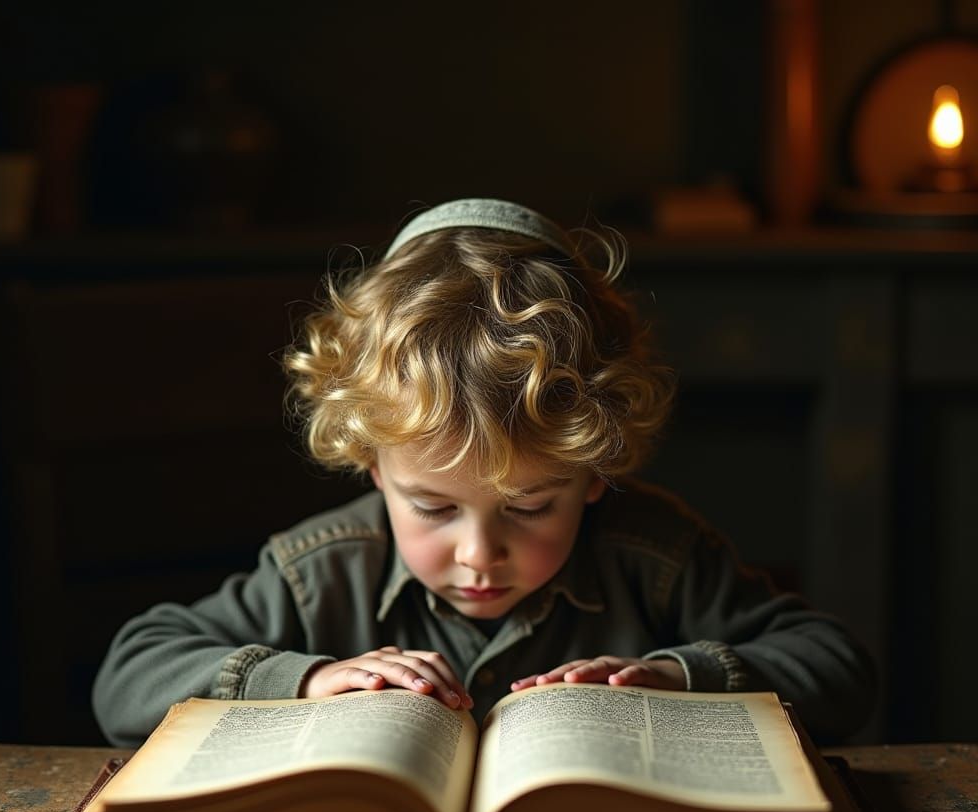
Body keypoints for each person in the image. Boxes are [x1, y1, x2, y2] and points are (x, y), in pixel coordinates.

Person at [92, 197, 876, 747]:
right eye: (432, 508)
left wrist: (681, 678)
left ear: (595, 471)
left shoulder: (658, 557)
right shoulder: (317, 573)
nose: (477, 554)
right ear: (372, 463)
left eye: (531, 507)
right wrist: (303, 681)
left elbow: (840, 670)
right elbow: (126, 677)